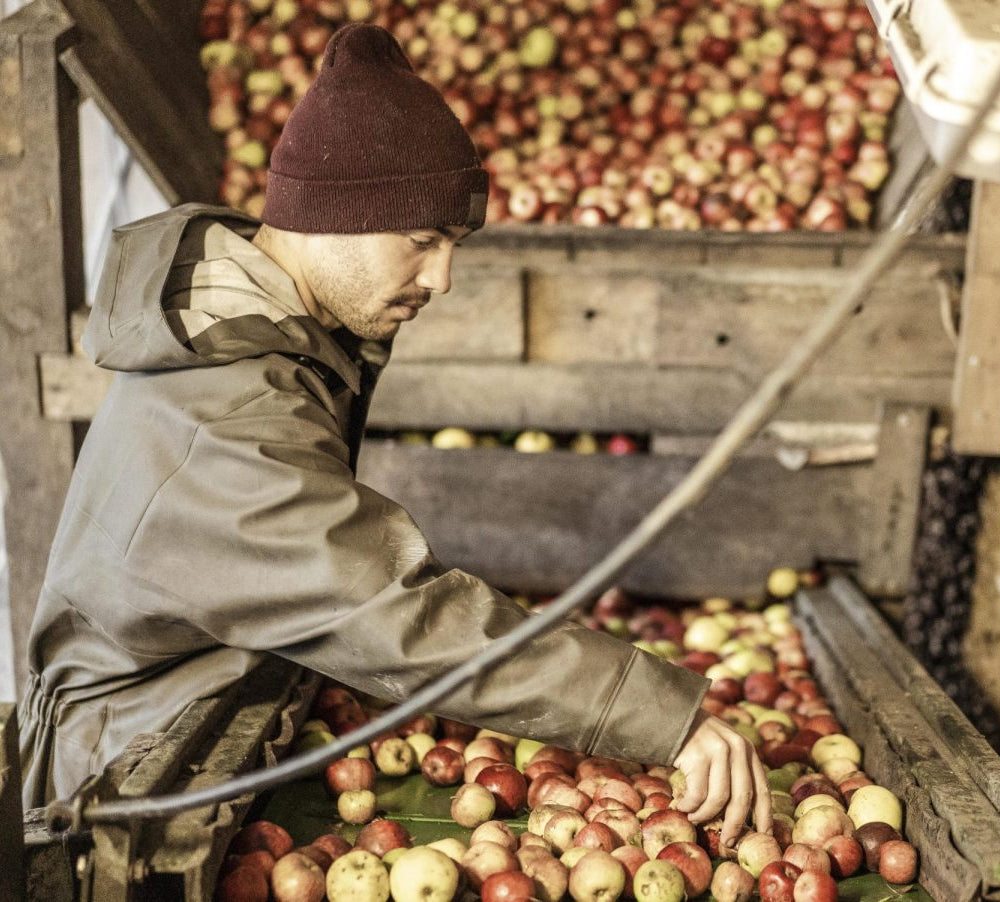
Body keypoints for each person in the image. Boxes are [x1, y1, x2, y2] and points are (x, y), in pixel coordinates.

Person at [18, 22, 771, 845]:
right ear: (330, 215)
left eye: (452, 245)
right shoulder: (224, 417)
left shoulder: (265, 336)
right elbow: (395, 615)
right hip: (128, 785)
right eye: (421, 242)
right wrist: (663, 716)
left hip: (211, 721)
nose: (441, 278)